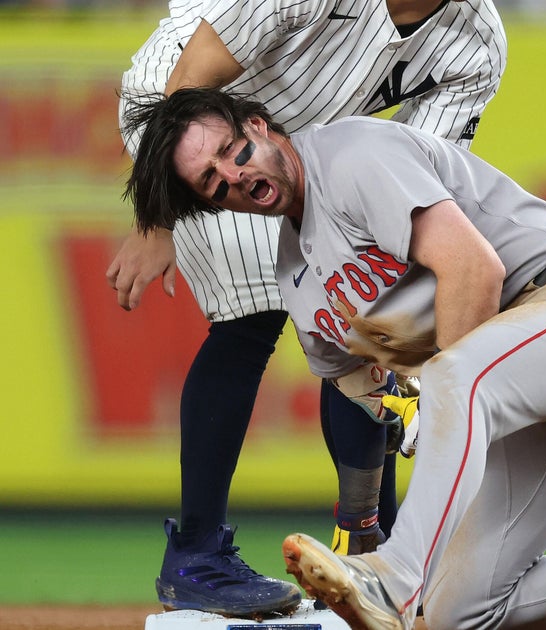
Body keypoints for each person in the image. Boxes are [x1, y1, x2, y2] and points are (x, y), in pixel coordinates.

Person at [120, 86, 546, 630]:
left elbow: (473, 271)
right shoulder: (297, 272)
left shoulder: (351, 156)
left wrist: (424, 396)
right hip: (523, 378)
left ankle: (393, 579)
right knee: (459, 611)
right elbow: (359, 387)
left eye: (232, 152)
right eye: (211, 183)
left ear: (260, 128)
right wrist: (362, 523)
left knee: (454, 375)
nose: (232, 176)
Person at [107, 0, 506, 618]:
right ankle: (196, 555)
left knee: (372, 310)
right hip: (188, 119)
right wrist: (159, 214)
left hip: (295, 157)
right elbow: (190, 83)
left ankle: (370, 543)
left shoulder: (475, 44)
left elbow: (411, 175)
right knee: (254, 317)